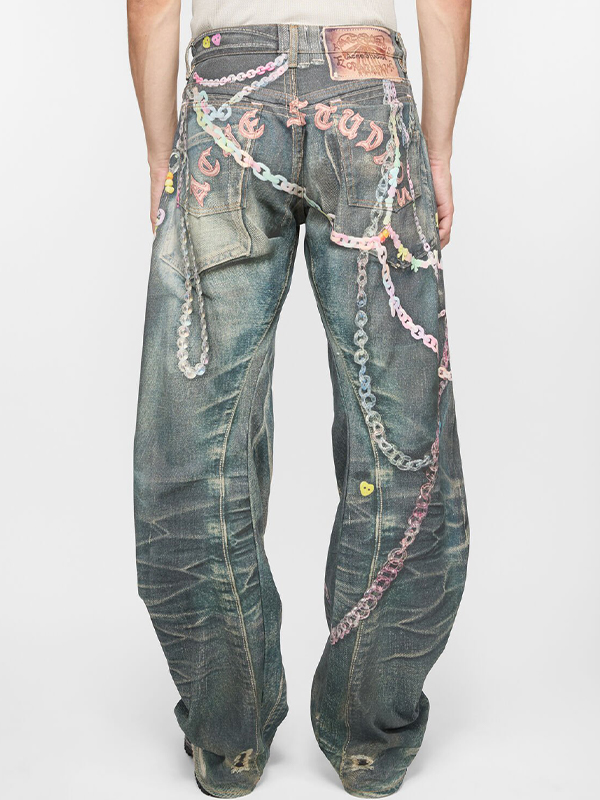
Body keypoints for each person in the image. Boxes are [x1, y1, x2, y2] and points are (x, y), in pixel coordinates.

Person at [127, 1, 471, 796]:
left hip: (227, 94)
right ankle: (369, 736)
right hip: (367, 93)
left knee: (197, 436)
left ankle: (228, 736)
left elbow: (153, 8)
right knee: (398, 437)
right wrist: (438, 150)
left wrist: (159, 154)